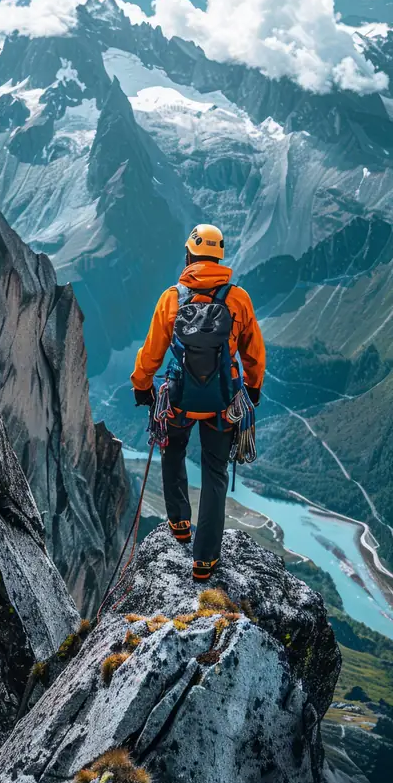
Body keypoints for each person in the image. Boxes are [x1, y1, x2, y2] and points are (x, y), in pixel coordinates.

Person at [130, 224, 266, 581]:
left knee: (173, 450)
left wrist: (142, 386)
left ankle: (179, 524)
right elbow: (253, 352)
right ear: (219, 258)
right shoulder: (238, 299)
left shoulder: (172, 298)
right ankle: (205, 559)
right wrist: (252, 388)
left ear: (189, 255)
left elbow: (152, 351)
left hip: (178, 399)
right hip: (223, 401)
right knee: (215, 472)